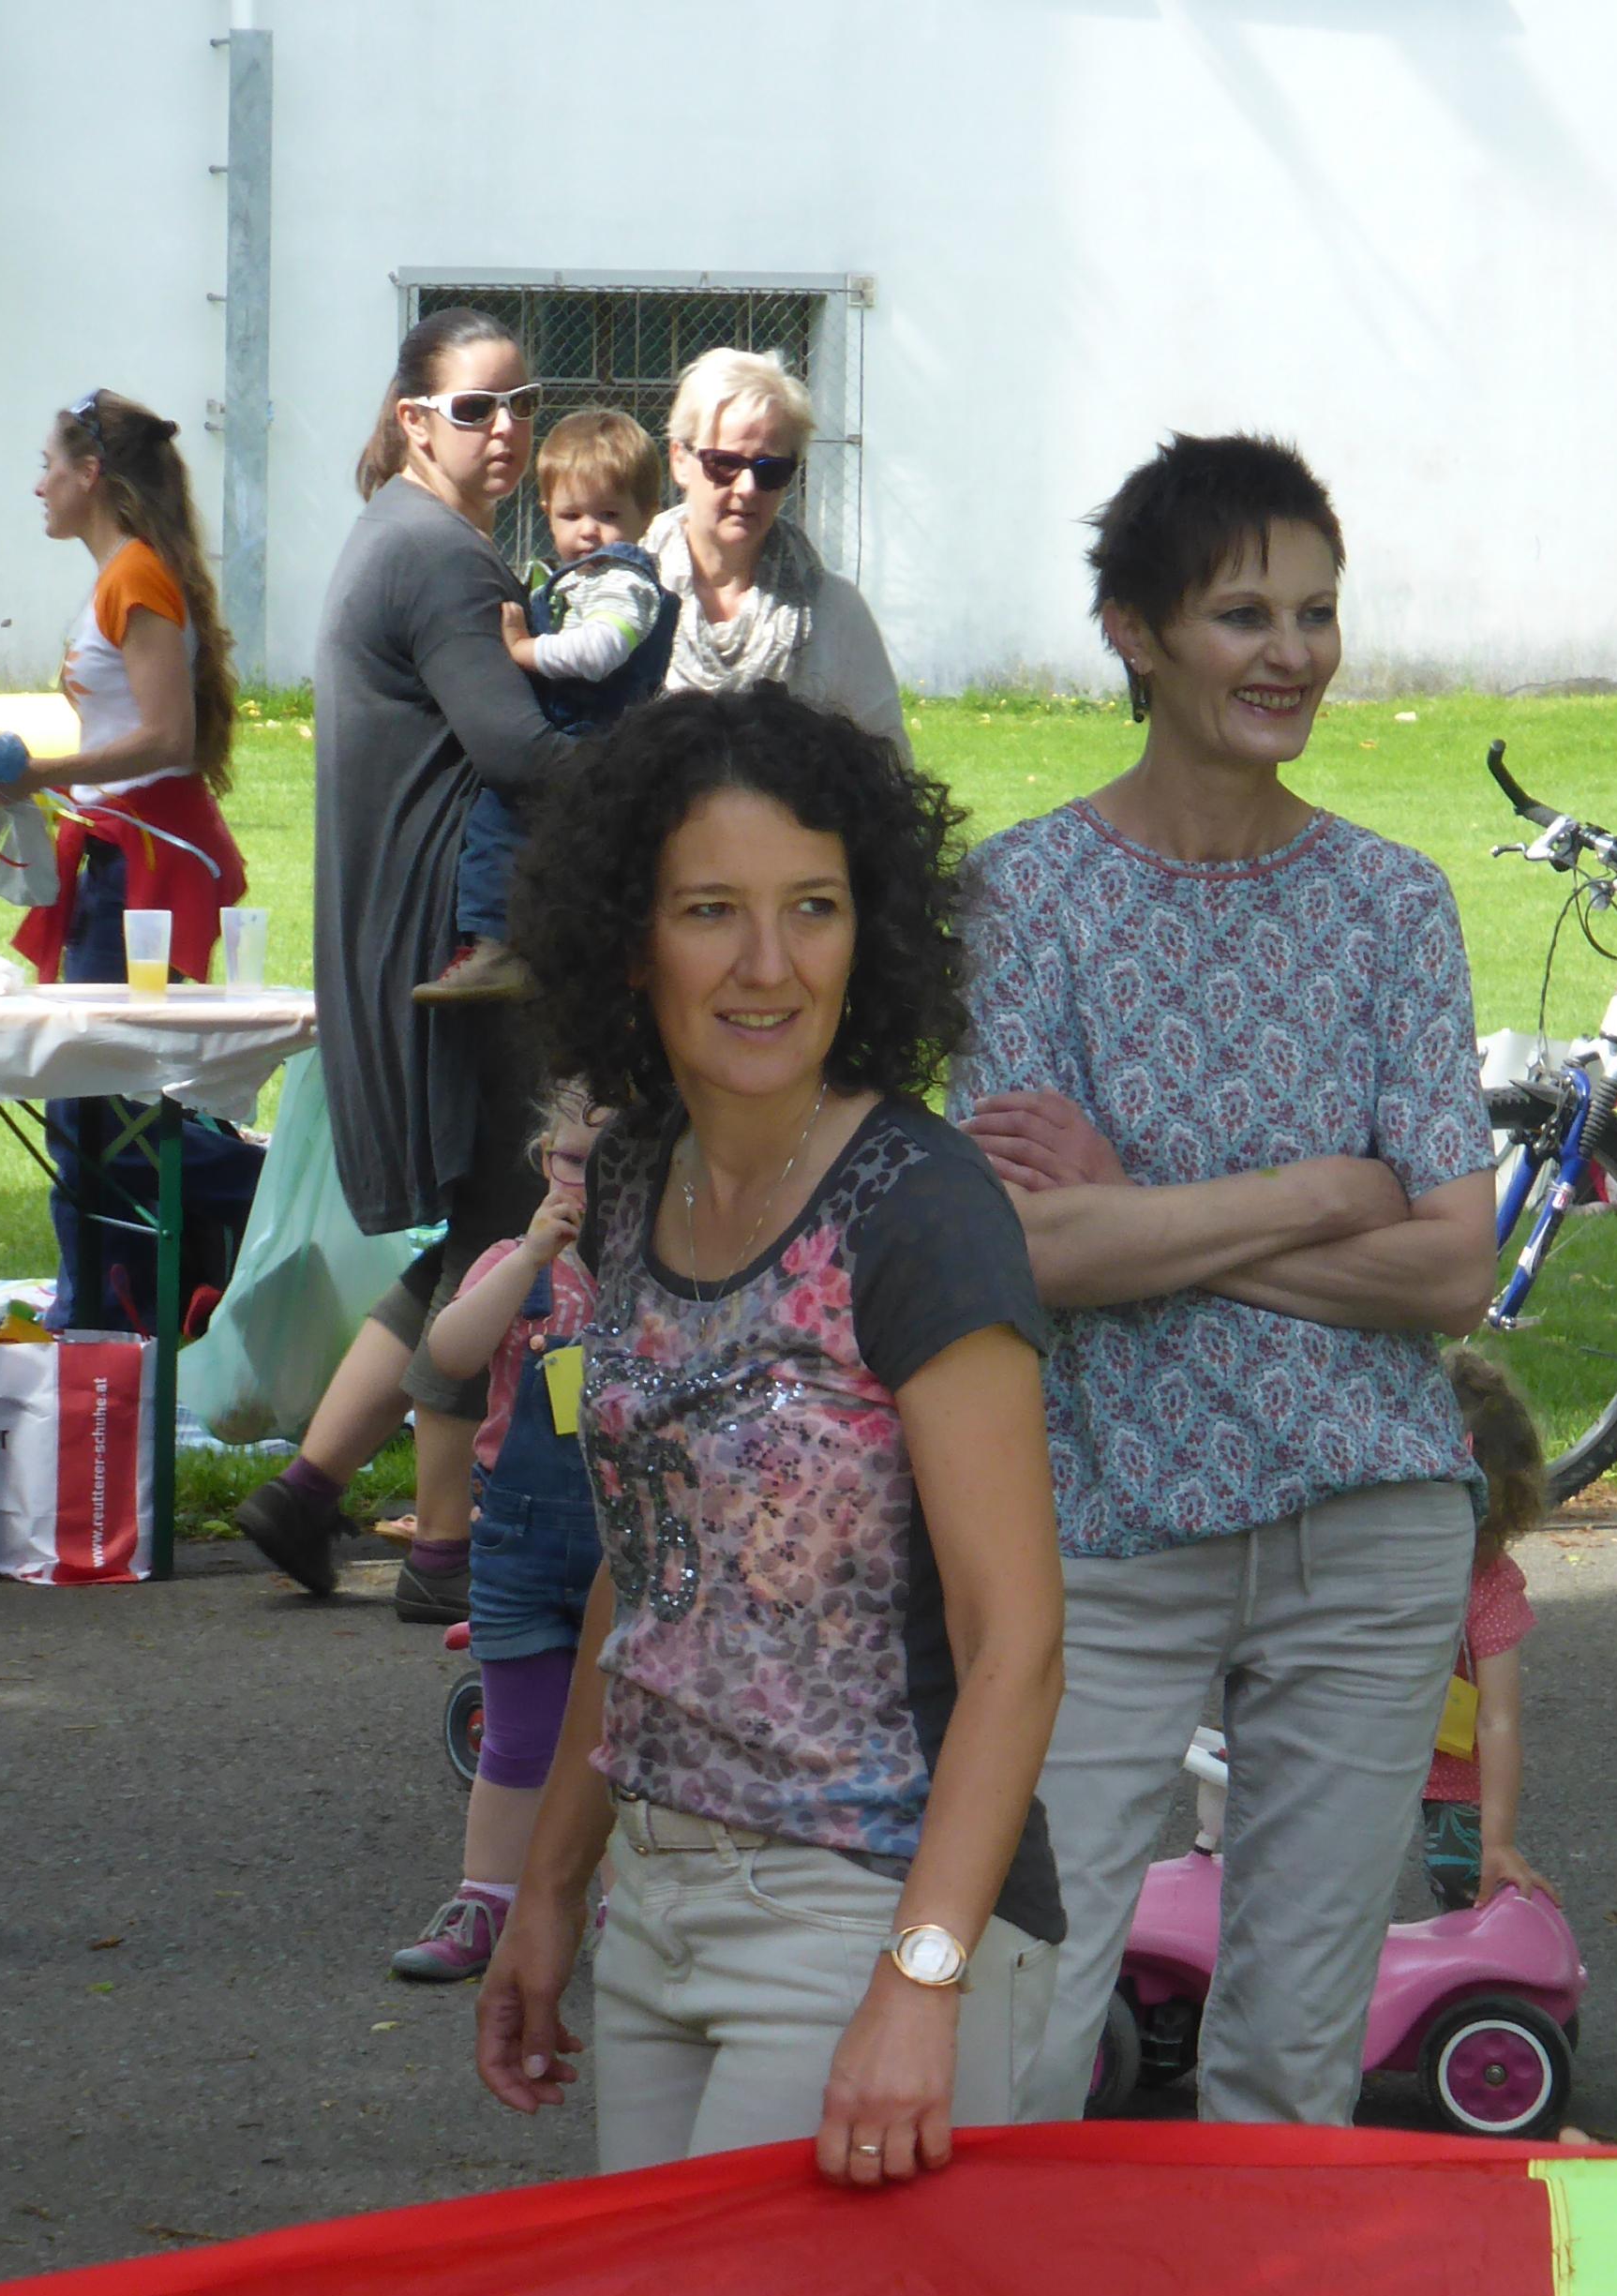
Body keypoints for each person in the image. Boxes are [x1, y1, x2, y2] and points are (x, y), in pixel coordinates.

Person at [958, 433, 1495, 2132]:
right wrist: (1327, 1192)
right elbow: (1032, 1251)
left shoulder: (1394, 908)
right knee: (1018, 2033)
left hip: (1370, 1531)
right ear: (1132, 631)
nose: (1293, 653)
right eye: (1243, 614)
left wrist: (1146, 1218)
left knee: (1290, 2066)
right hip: (1104, 1534)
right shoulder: (1024, 899)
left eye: (1316, 613)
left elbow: (1455, 1265)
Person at [474, 687, 1064, 2184]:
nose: (767, 964)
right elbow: (644, 1567)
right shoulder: (631, 1179)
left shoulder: (918, 1209)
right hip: (657, 1904)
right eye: (710, 911)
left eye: (813, 907)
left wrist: (921, 1978)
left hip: (865, 1913)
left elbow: (1016, 1645)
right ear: (631, 939)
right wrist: (550, 1886)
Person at [240, 309, 576, 1613]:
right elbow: (518, 751)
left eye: (521, 405)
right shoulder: (438, 556)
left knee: (480, 1229)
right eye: (475, 409)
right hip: (460, 960)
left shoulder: (397, 531)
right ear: (413, 421)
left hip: (411, 948)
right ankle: (442, 1551)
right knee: (506, 1234)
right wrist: (677, 767)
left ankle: (307, 1488)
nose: (505, 431)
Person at [0, 389, 252, 1334]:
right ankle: (98, 1308)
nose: (39, 485)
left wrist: (44, 772)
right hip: (116, 858)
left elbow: (166, 738)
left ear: (91, 475)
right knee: (87, 1106)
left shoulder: (134, 576)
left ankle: (281, 1196)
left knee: (105, 1110)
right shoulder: (125, 573)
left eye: (49, 466)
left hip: (146, 868)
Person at [395, 1088, 606, 1983]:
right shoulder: (514, 1264)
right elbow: (448, 1353)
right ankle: (487, 1898)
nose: (585, 1184)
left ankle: (614, 1907)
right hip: (521, 1540)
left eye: (610, 1166)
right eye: (571, 1161)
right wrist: (528, 1258)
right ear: (542, 1160)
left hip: (628, 1542)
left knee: (623, 1739)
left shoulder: (672, 1274)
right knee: (516, 1737)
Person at [423, 408, 675, 1010]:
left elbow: (598, 652)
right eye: (571, 515)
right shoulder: (578, 578)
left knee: (497, 828)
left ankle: (496, 946)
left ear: (647, 515)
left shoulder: (624, 582)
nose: (589, 531)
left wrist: (525, 651)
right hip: (579, 735)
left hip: (591, 735)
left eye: (609, 515)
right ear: (546, 512)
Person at [646, 347, 908, 759]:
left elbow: (888, 765)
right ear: (680, 460)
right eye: (725, 464)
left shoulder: (833, 611)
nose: (747, 488)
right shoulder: (627, 593)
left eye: (770, 470)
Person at [1420, 1346, 1549, 1912]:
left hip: (1435, 1762)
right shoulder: (1483, 1579)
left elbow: (1498, 1718)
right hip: (1371, 1752)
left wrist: (1497, 1841)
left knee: (1466, 1883)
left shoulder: (1485, 1582)